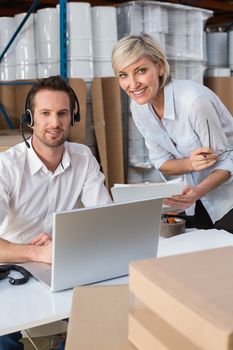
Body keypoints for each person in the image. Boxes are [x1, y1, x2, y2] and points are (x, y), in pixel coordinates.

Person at [0, 75, 112, 350]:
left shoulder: (83, 158)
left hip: (66, 261)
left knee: (102, 323)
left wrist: (62, 249)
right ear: (31, 118)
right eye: (45, 113)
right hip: (11, 262)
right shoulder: (7, 166)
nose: (54, 123)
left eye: (62, 113)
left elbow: (107, 221)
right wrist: (36, 252)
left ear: (72, 117)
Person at [112, 33, 233, 233]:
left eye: (140, 71)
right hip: (197, 199)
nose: (132, 85)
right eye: (123, 75)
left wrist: (195, 193)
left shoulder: (194, 103)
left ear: (159, 67)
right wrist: (189, 165)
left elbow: (227, 161)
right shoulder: (139, 109)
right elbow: (162, 163)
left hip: (228, 197)